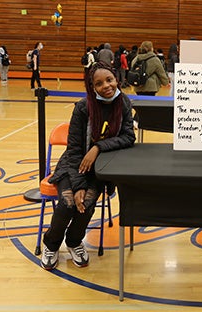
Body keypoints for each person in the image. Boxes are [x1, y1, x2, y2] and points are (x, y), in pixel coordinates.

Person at [41, 62, 136, 270]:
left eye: (109, 80)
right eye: (99, 83)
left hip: (100, 169)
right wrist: (79, 185)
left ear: (116, 79)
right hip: (73, 165)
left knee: (87, 204)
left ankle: (75, 241)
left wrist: (98, 147)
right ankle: (51, 243)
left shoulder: (124, 103)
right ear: (92, 87)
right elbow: (74, 149)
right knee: (68, 203)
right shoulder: (83, 107)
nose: (106, 86)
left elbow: (129, 136)